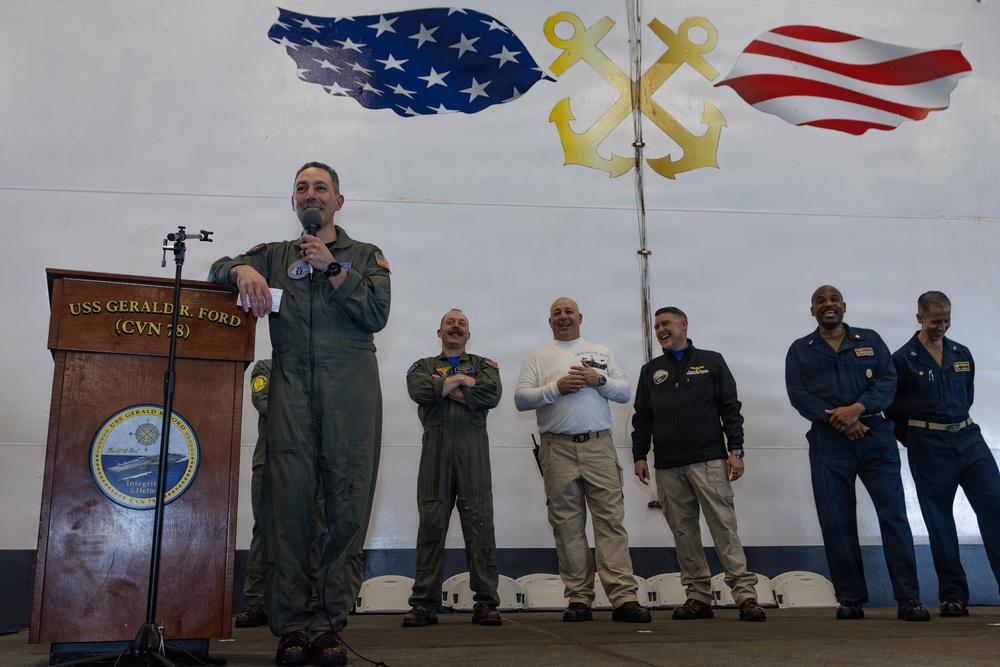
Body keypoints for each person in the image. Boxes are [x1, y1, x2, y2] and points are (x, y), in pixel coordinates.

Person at [209, 161, 391, 666]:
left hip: (350, 391)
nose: (311, 194)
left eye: (321, 188)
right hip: (290, 391)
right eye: (301, 188)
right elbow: (215, 269)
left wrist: (332, 267)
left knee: (346, 508)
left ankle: (329, 627)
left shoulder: (366, 255)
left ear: (338, 201)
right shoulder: (273, 256)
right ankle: (290, 628)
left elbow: (376, 314)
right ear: (294, 203)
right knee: (285, 511)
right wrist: (239, 269)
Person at [785, 285, 929, 622]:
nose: (828, 304)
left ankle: (908, 598)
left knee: (893, 517)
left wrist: (858, 408)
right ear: (812, 311)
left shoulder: (871, 340)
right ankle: (850, 598)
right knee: (837, 522)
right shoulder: (800, 350)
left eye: (833, 299)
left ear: (844, 306)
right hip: (828, 440)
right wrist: (839, 419)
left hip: (874, 435)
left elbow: (887, 380)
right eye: (820, 301)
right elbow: (798, 393)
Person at [514, 297, 650, 623]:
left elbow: (624, 391)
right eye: (557, 313)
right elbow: (521, 399)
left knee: (610, 525)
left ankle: (623, 599)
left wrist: (598, 380)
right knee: (567, 528)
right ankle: (579, 599)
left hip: (599, 446)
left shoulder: (601, 353)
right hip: (556, 449)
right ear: (550, 322)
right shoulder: (537, 357)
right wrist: (555, 389)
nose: (563, 317)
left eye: (568, 312)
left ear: (580, 318)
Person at [631, 307, 766, 622]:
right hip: (667, 466)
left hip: (709, 460)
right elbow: (642, 417)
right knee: (683, 533)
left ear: (683, 325)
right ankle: (698, 598)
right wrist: (639, 455)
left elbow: (730, 408)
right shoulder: (650, 370)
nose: (661, 329)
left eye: (666, 323)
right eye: (657, 326)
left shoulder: (712, 360)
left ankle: (745, 597)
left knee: (724, 529)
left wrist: (737, 450)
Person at [886, 291, 1000, 617]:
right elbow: (891, 412)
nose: (942, 326)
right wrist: (919, 439)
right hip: (929, 446)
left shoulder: (961, 353)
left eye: (947, 320)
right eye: (936, 320)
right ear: (919, 317)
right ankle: (953, 596)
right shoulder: (902, 360)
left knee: (996, 507)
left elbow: (968, 395)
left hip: (969, 439)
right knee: (939, 520)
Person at [401, 309, 504, 628]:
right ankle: (423, 604)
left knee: (480, 524)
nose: (456, 327)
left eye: (461, 324)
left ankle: (486, 602)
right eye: (450, 323)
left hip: (473, 450)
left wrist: (444, 387)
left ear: (468, 335)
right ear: (440, 332)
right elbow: (419, 391)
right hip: (436, 449)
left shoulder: (486, 366)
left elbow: (491, 394)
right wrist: (462, 381)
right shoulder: (422, 367)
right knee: (431, 524)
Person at [236, 359, 327, 630]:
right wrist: (311, 405)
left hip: (315, 463)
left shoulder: (323, 366)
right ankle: (259, 601)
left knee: (316, 529)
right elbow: (266, 403)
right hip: (273, 460)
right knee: (267, 531)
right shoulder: (266, 367)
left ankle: (310, 601)